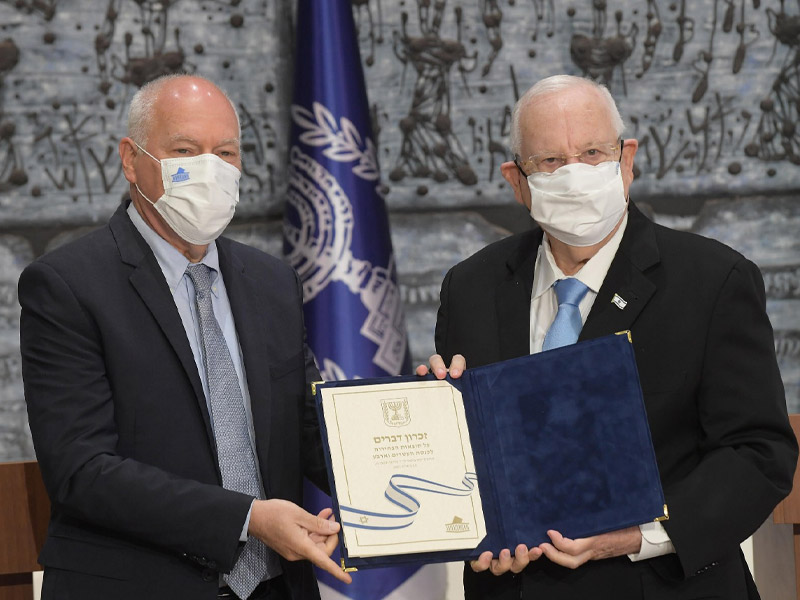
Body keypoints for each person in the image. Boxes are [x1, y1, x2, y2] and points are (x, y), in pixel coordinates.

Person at [420, 74, 798, 599]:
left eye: (593, 152)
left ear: (627, 160)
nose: (575, 174)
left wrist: (636, 536)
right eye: (550, 161)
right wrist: (435, 417)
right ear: (517, 180)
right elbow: (463, 463)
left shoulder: (712, 279)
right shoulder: (471, 286)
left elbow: (759, 452)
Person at [19, 74, 351, 600]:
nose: (210, 170)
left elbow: (308, 429)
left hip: (275, 587)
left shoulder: (272, 281)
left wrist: (417, 446)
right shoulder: (67, 286)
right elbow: (82, 470)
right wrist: (247, 518)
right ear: (132, 159)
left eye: (225, 153)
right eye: (184, 150)